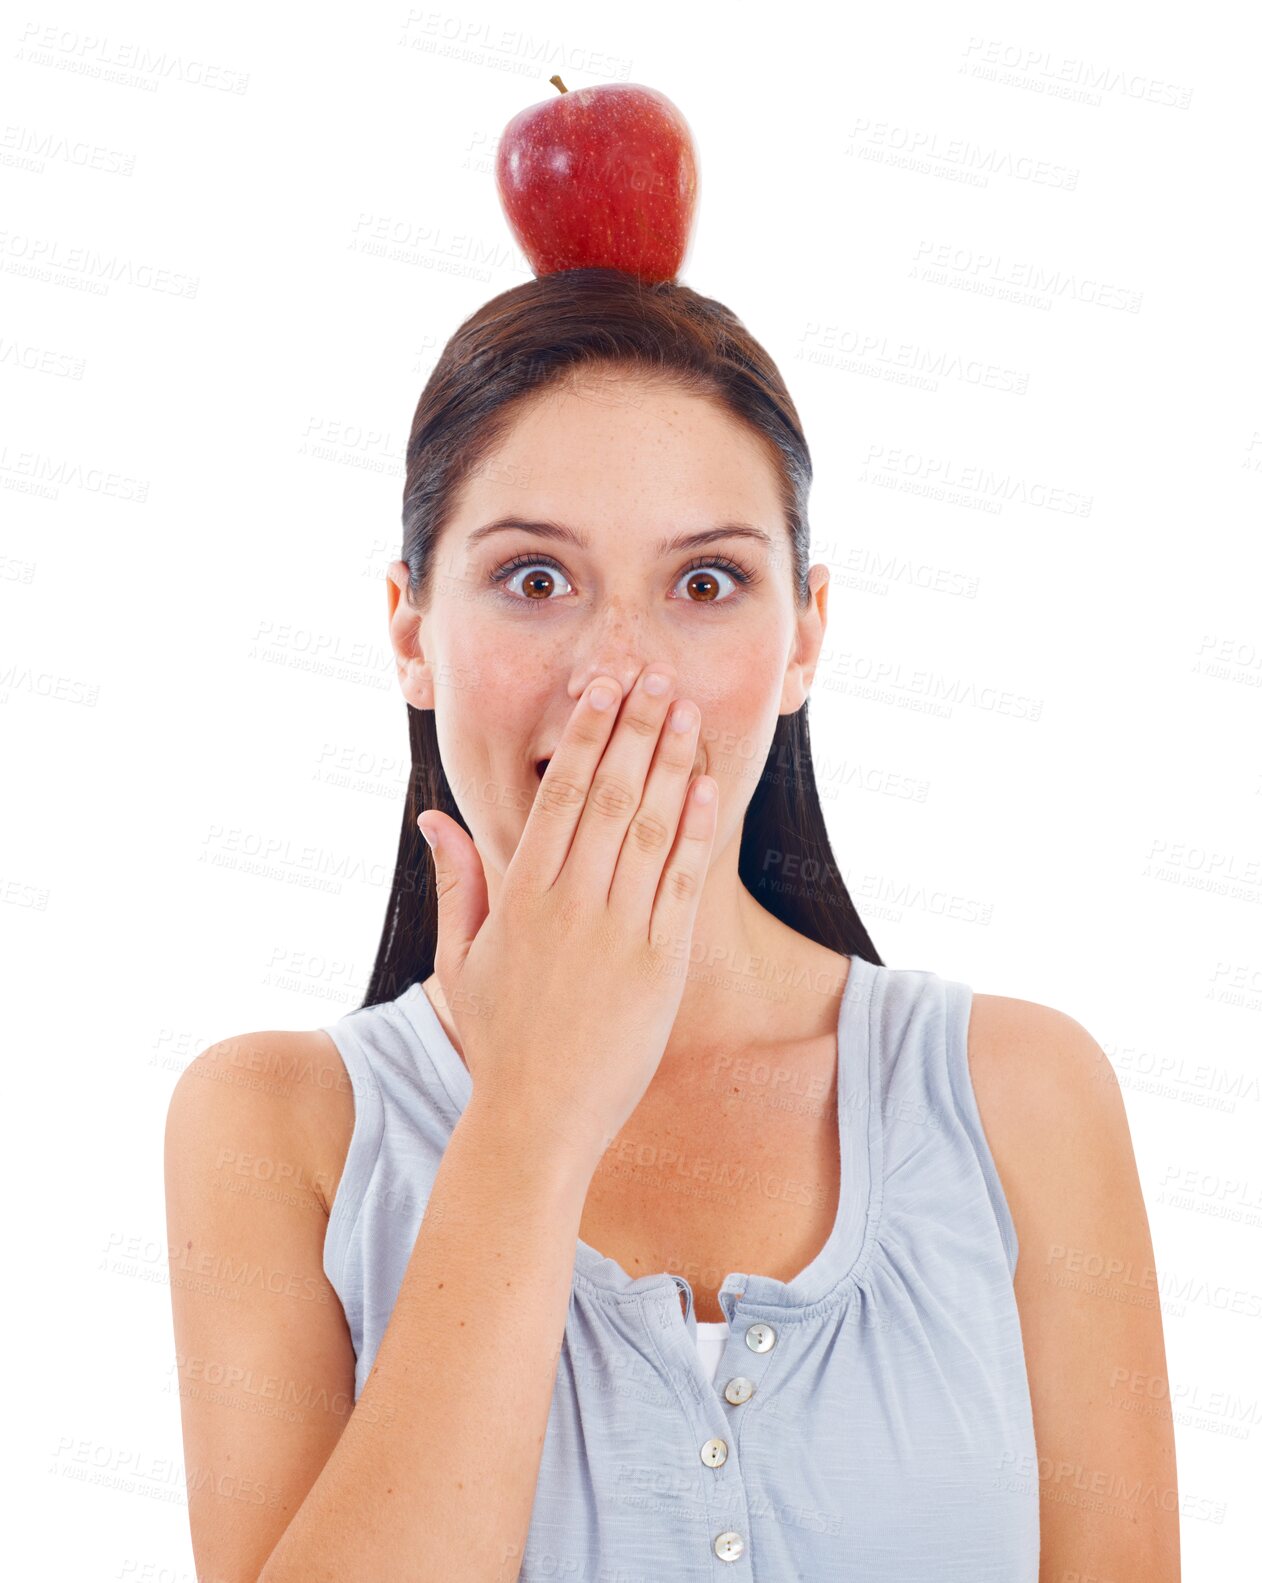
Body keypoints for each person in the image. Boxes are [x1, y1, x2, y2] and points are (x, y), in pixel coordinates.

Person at [164, 268, 1180, 1581]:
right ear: (409, 628)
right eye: (534, 577)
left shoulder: (1022, 1095)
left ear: (805, 635)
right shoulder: (272, 1127)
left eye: (705, 584)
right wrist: (532, 1109)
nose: (621, 677)